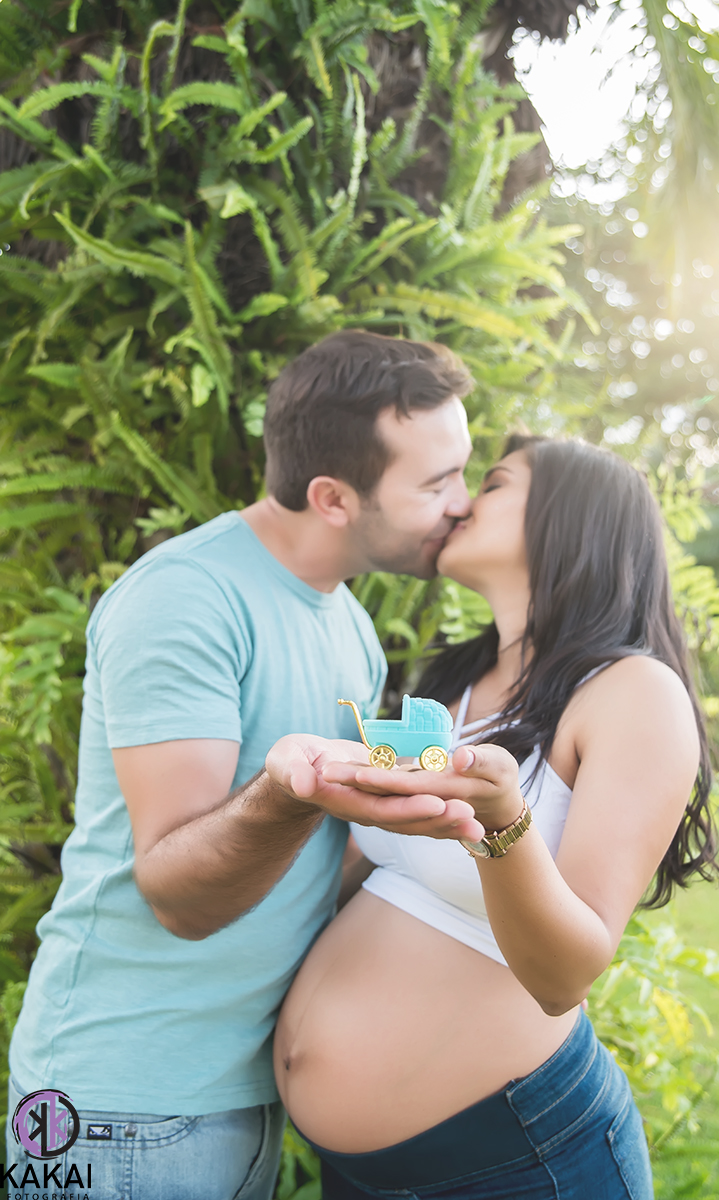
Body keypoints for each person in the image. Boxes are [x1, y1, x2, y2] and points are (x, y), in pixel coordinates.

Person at [5, 331, 486, 1200]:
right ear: (333, 497)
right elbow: (180, 895)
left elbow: (306, 872)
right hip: (119, 1105)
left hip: (239, 1098)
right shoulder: (185, 600)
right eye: (434, 483)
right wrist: (290, 793)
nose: (462, 503)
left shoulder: (350, 626)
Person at [274, 435, 719, 1200]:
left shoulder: (631, 693)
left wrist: (499, 820)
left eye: (492, 481)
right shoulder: (454, 684)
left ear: (570, 519)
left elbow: (563, 975)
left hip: (512, 1165)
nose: (460, 501)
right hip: (362, 1171)